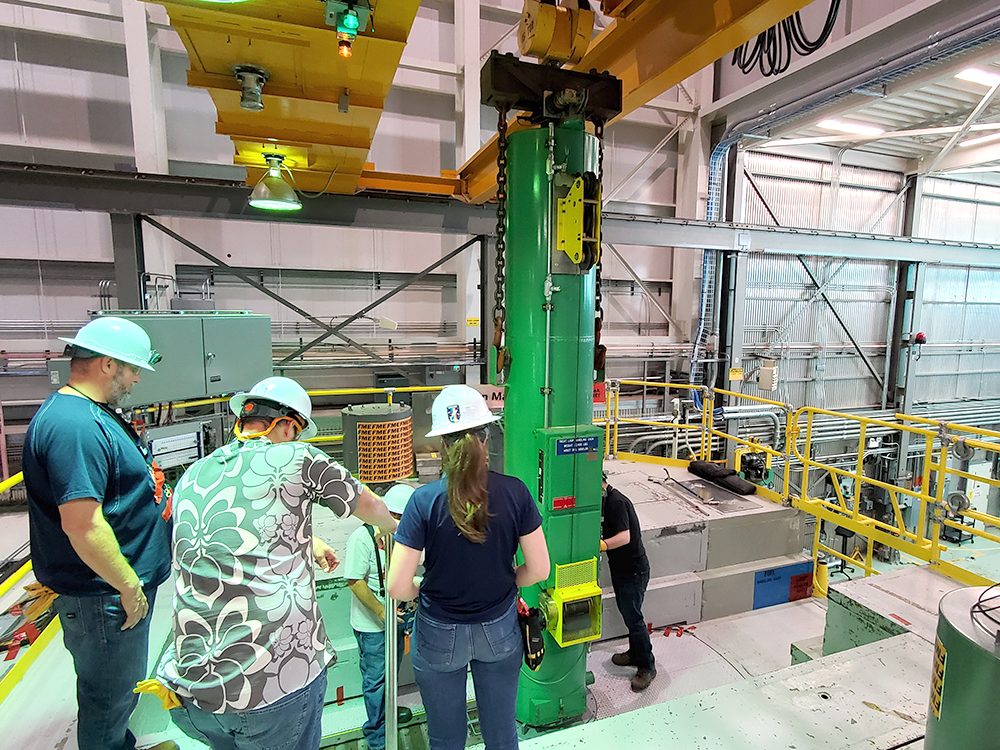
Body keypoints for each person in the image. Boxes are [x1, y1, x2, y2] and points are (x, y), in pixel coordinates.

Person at [156, 376, 398, 750]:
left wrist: (308, 542)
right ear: (287, 425)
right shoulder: (298, 457)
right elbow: (371, 507)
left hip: (193, 692)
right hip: (268, 687)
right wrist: (394, 528)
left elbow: (229, 538)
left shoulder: (193, 474)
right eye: (296, 434)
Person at [21, 316, 176, 750]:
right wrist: (128, 585)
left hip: (108, 592)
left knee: (116, 692)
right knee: (107, 698)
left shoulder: (87, 413)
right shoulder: (75, 427)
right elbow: (82, 524)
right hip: (104, 596)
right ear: (108, 364)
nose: (136, 378)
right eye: (133, 369)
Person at [387, 385, 550, 750]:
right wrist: (508, 580)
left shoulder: (422, 501)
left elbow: (397, 586)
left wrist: (422, 590)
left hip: (439, 631)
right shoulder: (516, 492)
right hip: (499, 628)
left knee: (446, 739)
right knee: (501, 734)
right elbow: (539, 569)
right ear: (486, 436)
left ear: (442, 445)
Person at [345, 483, 415, 750]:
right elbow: (355, 582)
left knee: (391, 675)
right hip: (373, 627)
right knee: (376, 680)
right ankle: (377, 736)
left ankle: (388, 716)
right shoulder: (362, 539)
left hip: (396, 621)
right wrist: (382, 611)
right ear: (391, 514)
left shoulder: (400, 538)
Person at [600, 471, 655, 691]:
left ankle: (647, 666)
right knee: (629, 614)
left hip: (633, 571)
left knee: (634, 618)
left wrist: (603, 545)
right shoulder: (606, 502)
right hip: (622, 569)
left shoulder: (616, 502)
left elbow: (625, 537)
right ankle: (635, 653)